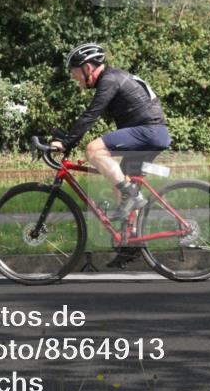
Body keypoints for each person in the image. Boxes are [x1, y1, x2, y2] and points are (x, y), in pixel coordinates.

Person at [50, 43, 171, 265]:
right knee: (122, 182)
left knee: (93, 149)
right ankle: (131, 243)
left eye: (75, 73)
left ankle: (132, 197)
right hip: (151, 132)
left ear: (87, 68)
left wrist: (67, 142)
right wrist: (67, 137)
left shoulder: (109, 80)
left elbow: (90, 116)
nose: (74, 78)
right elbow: (90, 117)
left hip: (149, 131)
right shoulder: (112, 79)